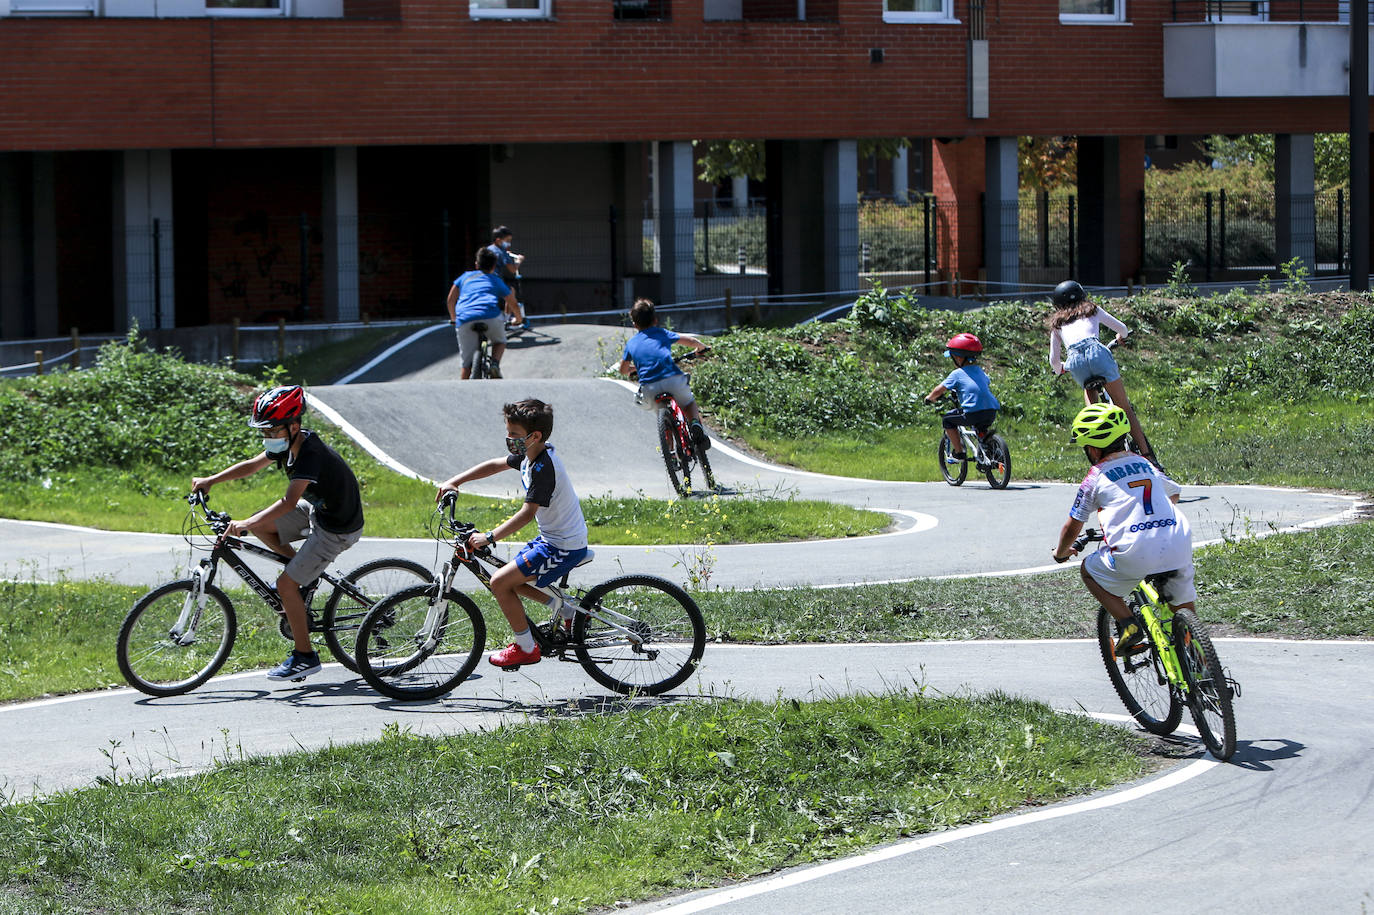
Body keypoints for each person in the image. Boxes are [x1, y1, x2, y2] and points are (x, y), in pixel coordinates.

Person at [191, 385, 365, 682]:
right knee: (262, 526)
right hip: (319, 512)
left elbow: (287, 502)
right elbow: (251, 466)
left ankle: (305, 657)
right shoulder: (287, 445)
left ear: (294, 426)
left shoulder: (309, 453)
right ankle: (304, 580)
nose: (268, 438)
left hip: (337, 528)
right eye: (265, 432)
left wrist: (245, 522)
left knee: (285, 586)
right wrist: (211, 480)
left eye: (273, 432)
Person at [435, 398, 589, 669]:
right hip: (552, 539)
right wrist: (456, 481)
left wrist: (490, 536)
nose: (509, 440)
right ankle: (567, 610)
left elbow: (527, 514)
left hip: (562, 546)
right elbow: (495, 464)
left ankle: (526, 648)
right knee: (509, 577)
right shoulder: (532, 455)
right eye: (508, 434)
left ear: (535, 435)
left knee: (498, 582)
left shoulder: (543, 468)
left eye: (514, 435)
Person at [1051, 403, 1194, 653]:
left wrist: (1061, 552)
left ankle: (1128, 624)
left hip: (1135, 549)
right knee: (1184, 612)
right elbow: (1174, 493)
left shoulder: (1095, 476)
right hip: (1177, 541)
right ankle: (1204, 667)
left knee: (1088, 571)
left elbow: (1073, 526)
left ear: (1093, 448)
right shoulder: (1144, 463)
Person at [1047, 279, 1158, 467]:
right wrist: (1121, 337)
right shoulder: (1092, 310)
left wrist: (1064, 367)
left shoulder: (1058, 324)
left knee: (1093, 412)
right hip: (1097, 352)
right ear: (1082, 295)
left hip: (1075, 360)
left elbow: (1054, 362)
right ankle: (1148, 457)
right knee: (1125, 408)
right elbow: (1122, 328)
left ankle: (1099, 459)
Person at [617, 297, 711, 449]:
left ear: (634, 324)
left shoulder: (632, 343)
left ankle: (671, 454)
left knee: (663, 416)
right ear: (655, 320)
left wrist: (634, 369)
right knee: (688, 403)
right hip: (673, 379)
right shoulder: (662, 333)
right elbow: (691, 341)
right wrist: (701, 348)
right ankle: (695, 423)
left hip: (649, 388)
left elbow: (622, 370)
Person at [922, 332, 1000, 463]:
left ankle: (959, 453)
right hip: (991, 411)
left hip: (972, 413)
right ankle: (991, 451)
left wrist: (930, 398)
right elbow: (982, 385)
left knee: (948, 420)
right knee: (981, 429)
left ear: (958, 357)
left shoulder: (957, 374)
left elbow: (939, 390)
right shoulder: (980, 371)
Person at [447, 247, 524, 379]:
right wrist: (518, 319)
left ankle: (462, 386)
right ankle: (494, 364)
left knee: (466, 365)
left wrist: (454, 318)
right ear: (494, 266)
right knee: (500, 341)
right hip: (491, 316)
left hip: (465, 318)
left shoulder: (464, 277)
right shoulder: (495, 280)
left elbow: (450, 300)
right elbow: (512, 302)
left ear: (476, 264)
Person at [486, 225, 529, 330]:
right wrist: (519, 261)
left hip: (485, 279)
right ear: (498, 240)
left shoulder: (489, 249)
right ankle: (510, 319)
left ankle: (504, 319)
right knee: (511, 293)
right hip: (495, 280)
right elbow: (513, 270)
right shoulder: (502, 252)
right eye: (507, 240)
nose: (509, 243)